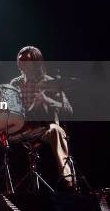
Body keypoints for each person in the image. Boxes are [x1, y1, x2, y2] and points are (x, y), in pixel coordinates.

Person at [9, 46, 76, 190]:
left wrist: (48, 101)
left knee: (56, 130)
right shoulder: (15, 84)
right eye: (19, 61)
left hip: (44, 129)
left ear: (36, 62)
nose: (21, 64)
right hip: (22, 130)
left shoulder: (50, 82)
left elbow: (69, 110)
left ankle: (68, 180)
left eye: (25, 60)